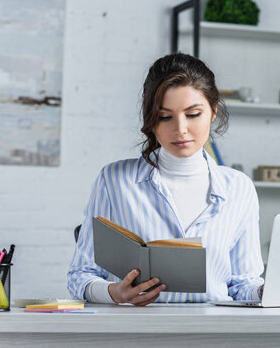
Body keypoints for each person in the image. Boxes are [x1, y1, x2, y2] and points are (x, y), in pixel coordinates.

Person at [67, 53, 265, 305]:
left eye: (193, 114)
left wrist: (265, 291)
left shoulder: (239, 188)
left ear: (213, 112)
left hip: (215, 333)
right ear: (150, 120)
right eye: (164, 116)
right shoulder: (114, 180)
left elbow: (243, 283)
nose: (180, 129)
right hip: (136, 333)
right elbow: (80, 276)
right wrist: (113, 293)